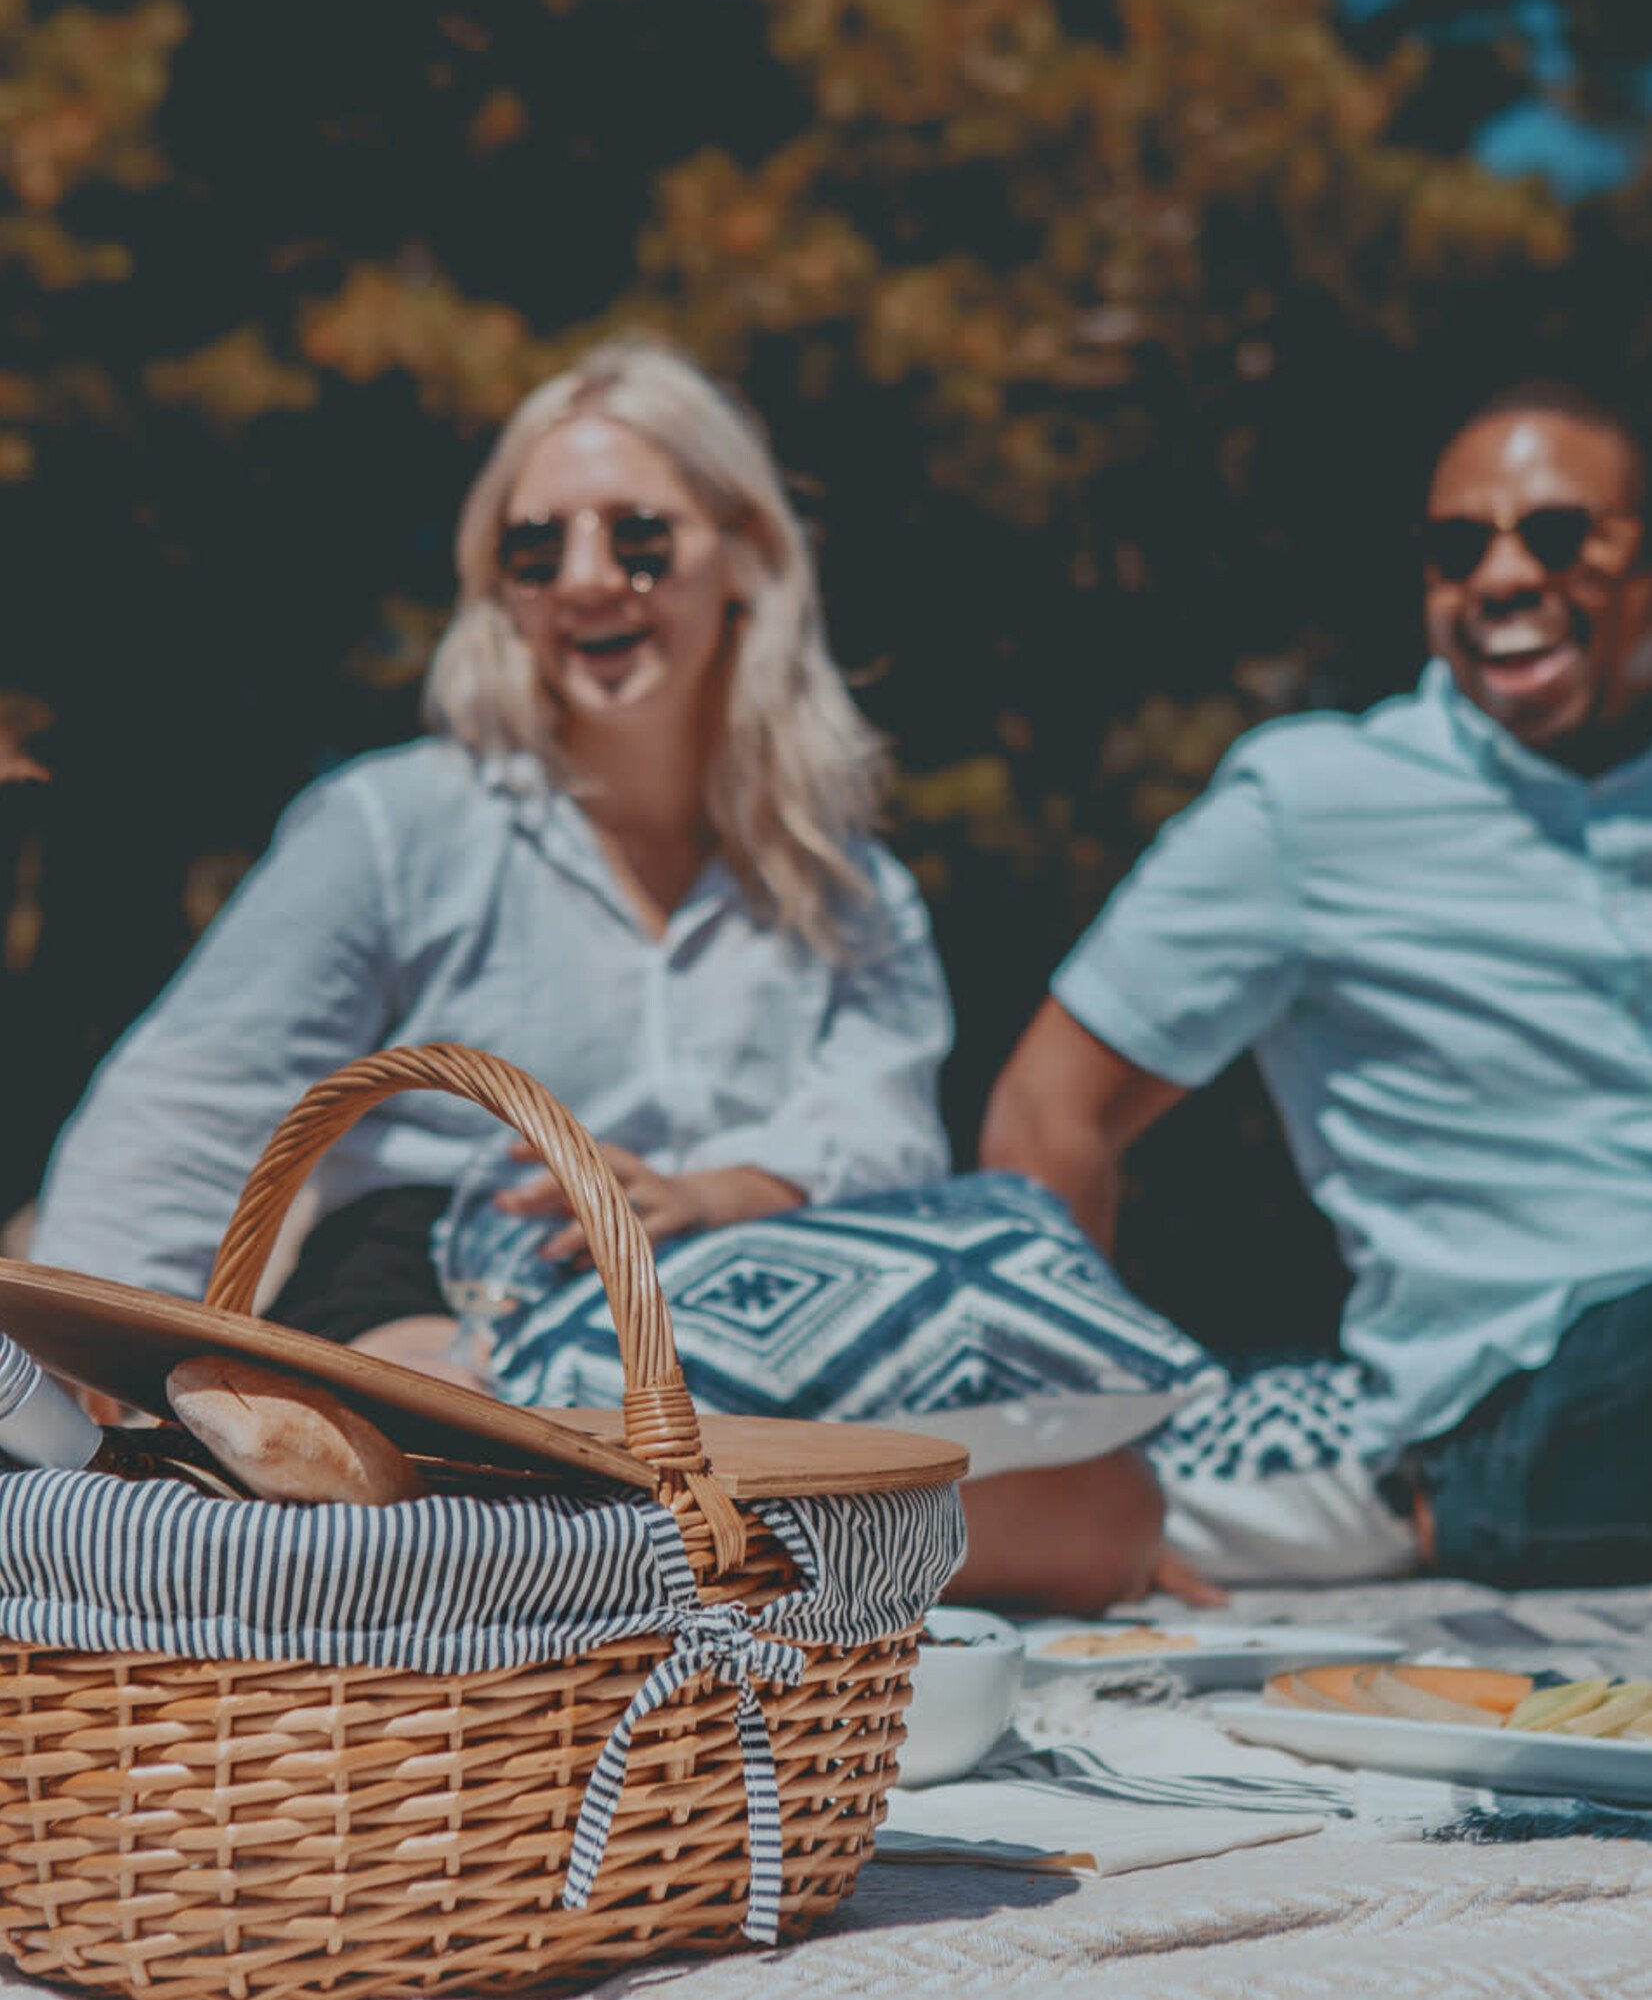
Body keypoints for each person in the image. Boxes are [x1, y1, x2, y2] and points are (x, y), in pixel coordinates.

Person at [29, 339, 1200, 1611]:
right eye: (538, 552)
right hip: (433, 1283)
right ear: (502, 593)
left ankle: (609, 1583)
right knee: (478, 1425)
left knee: (1107, 1512)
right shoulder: (396, 824)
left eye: (637, 536)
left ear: (744, 557)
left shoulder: (847, 885)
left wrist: (716, 1192)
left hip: (749, 1312)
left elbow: (890, 1131)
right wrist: (75, 1407)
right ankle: (695, 1575)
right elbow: (191, 1097)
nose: (587, 580)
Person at [983, 377, 1652, 1591]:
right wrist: (1065, 1457)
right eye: (1456, 551)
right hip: (1506, 1412)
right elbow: (1047, 1111)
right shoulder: (1313, 804)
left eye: (1556, 535)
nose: (1499, 579)